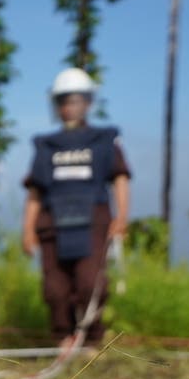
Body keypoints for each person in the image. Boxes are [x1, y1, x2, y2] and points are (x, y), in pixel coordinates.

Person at [22, 67, 131, 351]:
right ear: (56, 104)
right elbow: (35, 191)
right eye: (63, 101)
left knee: (90, 284)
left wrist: (122, 216)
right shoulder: (46, 146)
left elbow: (120, 177)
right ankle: (62, 340)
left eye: (75, 100)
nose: (69, 107)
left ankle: (92, 341)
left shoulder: (104, 141)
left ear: (88, 102)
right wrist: (27, 230)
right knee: (55, 289)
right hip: (52, 224)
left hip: (92, 222)